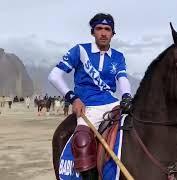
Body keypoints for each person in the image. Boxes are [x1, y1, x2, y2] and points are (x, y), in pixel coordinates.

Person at [48, 13, 132, 179]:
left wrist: (127, 96)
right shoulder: (79, 51)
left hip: (112, 104)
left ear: (112, 34)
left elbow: (122, 78)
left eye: (107, 29)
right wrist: (73, 98)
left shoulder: (118, 56)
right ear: (92, 32)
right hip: (88, 108)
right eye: (99, 29)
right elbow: (54, 76)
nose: (103, 33)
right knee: (82, 140)